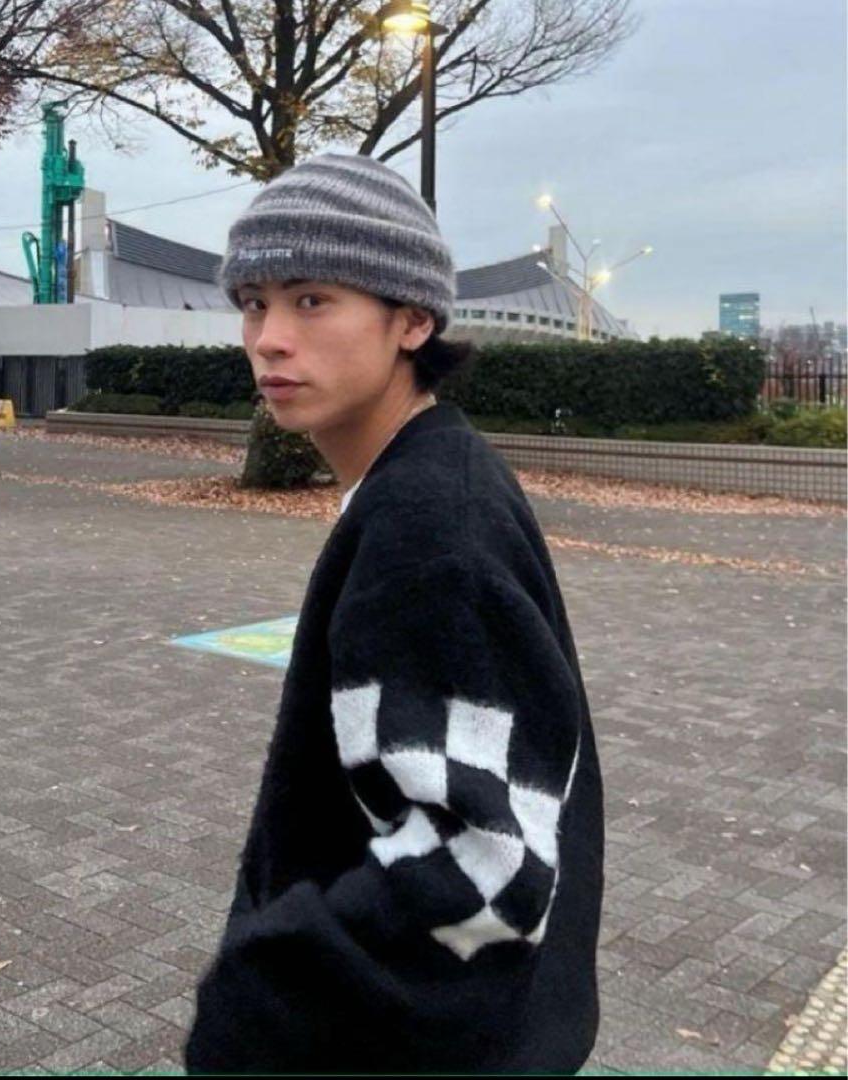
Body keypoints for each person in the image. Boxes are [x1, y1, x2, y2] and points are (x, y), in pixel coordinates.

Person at [184, 152, 605, 1074]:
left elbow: (484, 867)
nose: (268, 339)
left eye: (311, 300)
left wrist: (255, 1000)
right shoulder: (433, 480)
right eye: (253, 303)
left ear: (412, 319)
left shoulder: (430, 528)